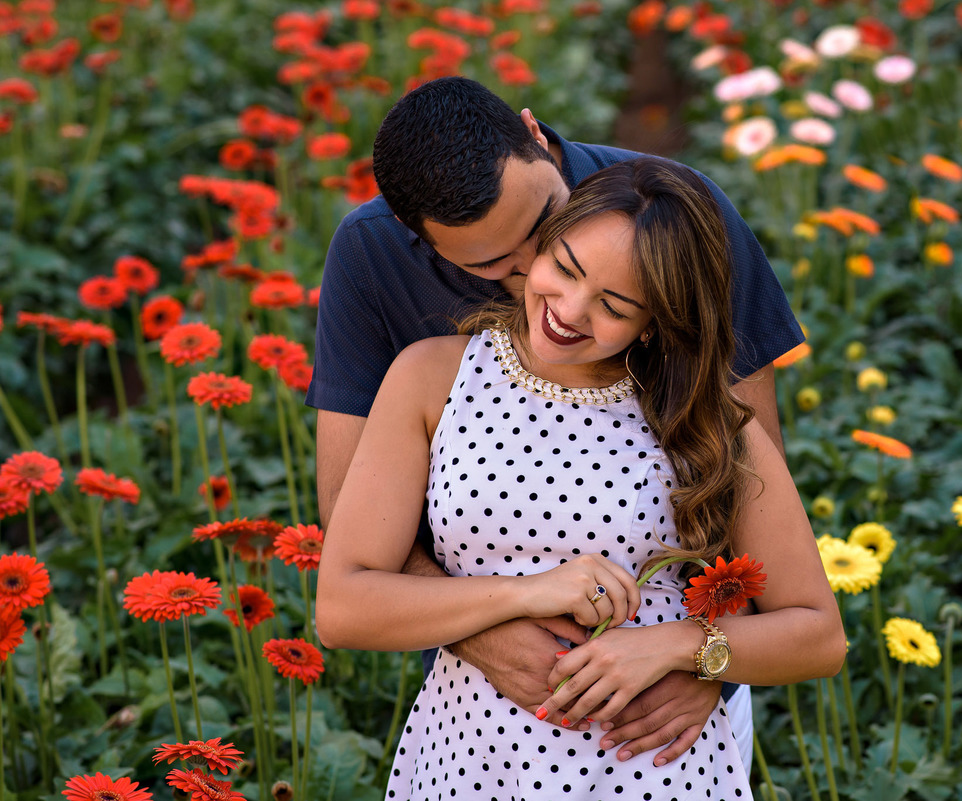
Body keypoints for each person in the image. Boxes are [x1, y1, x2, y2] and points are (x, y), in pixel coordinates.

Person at [308, 76, 805, 768]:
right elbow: (348, 523)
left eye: (548, 229)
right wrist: (485, 632)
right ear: (414, 237)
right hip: (481, 711)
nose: (539, 279)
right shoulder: (376, 268)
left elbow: (751, 498)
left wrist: (711, 664)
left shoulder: (681, 218)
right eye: (491, 264)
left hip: (664, 726)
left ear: (535, 134)